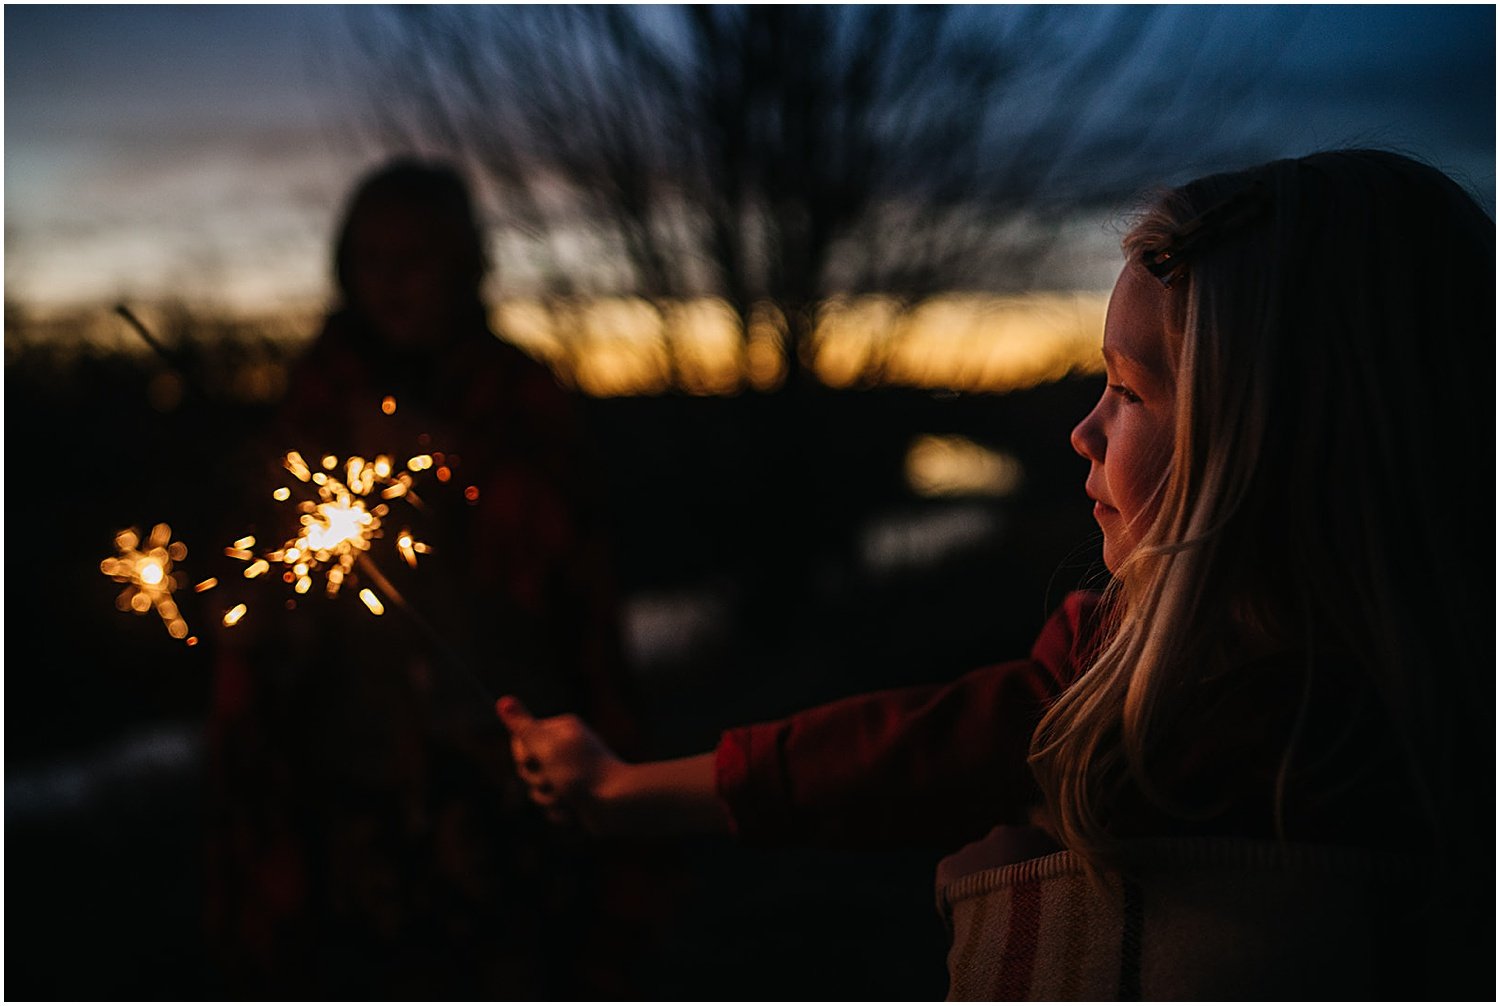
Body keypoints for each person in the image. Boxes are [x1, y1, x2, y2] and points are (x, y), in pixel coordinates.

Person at [496, 149, 1494, 998]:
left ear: (1274, 447)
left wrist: (624, 790)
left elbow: (894, 757)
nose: (1081, 429)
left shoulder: (1127, 707)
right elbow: (898, 750)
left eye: (1127, 390)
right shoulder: (1437, 719)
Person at [204, 159, 647, 998]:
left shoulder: (517, 396)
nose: (392, 281)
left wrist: (460, 463)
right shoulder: (316, 398)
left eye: (417, 257)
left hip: (500, 774)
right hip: (345, 780)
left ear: (464, 264)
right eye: (371, 258)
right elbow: (267, 569)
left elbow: (568, 564)